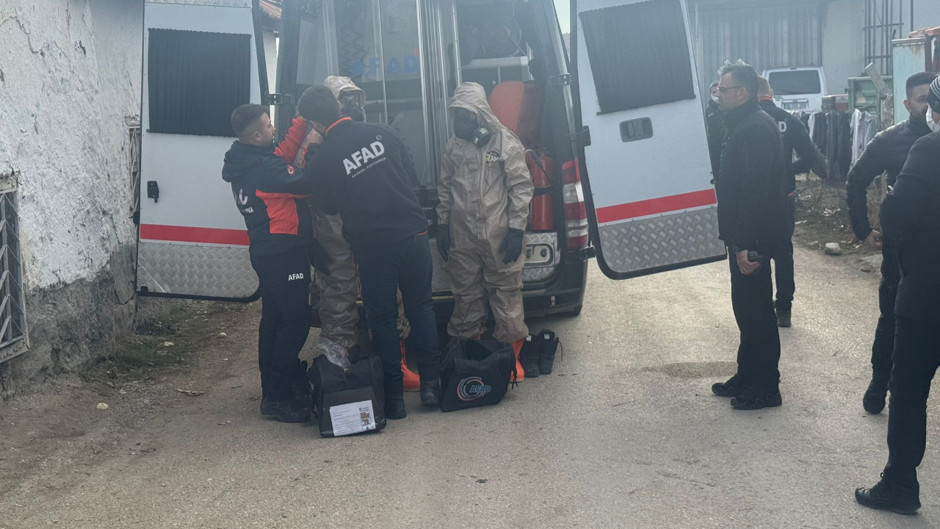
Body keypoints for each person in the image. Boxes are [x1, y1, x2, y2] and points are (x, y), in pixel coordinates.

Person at [301, 86, 441, 419]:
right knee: (422, 307)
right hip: (413, 232)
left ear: (314, 123)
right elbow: (410, 173)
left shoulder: (324, 158)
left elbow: (327, 206)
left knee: (383, 319)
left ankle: (393, 399)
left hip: (373, 245)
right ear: (338, 105)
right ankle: (432, 386)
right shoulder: (384, 132)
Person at [854, 77, 940, 515]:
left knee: (907, 392)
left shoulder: (928, 148)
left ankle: (900, 485)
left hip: (927, 294)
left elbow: (895, 214)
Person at [846, 71, 936, 415]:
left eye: (932, 99)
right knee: (892, 321)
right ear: (908, 104)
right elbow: (855, 180)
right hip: (901, 254)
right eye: (922, 99)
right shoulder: (891, 141)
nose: (928, 106)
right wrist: (864, 230)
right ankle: (879, 382)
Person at [222, 104, 314, 423]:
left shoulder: (246, 159)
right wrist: (318, 151)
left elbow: (282, 155)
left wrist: (302, 120)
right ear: (257, 135)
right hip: (283, 252)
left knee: (274, 321)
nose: (274, 128)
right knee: (296, 320)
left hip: (268, 252)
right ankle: (278, 395)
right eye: (269, 124)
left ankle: (273, 390)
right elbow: (305, 183)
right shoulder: (265, 169)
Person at [435, 82, 534, 374]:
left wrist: (516, 229)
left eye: (465, 114)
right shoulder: (454, 146)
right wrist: (442, 224)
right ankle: (469, 357)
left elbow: (521, 186)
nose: (460, 121)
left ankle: (510, 359)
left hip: (498, 232)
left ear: (479, 113)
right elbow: (445, 187)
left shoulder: (502, 141)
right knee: (465, 295)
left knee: (506, 292)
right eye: (456, 114)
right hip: (462, 235)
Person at [709, 61, 789, 410]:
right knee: (745, 308)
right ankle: (747, 374)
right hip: (743, 234)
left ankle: (767, 386)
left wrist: (745, 243)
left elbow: (755, 191)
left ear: (741, 93)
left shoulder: (756, 128)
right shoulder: (741, 123)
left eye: (723, 89)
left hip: (754, 236)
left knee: (758, 312)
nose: (719, 94)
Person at [756, 76, 828, 328]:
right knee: (783, 252)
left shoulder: (748, 120)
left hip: (754, 198)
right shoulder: (788, 119)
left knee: (757, 252)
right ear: (771, 92)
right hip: (783, 196)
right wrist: (788, 171)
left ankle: (762, 307)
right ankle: (784, 309)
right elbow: (810, 156)